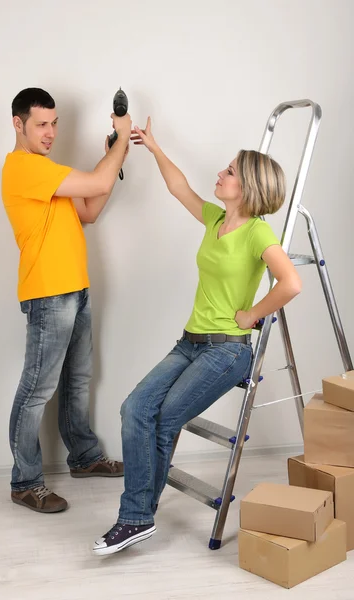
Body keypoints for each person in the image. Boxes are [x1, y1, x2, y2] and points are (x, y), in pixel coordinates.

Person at [93, 117, 302, 554]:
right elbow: (179, 188)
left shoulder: (257, 231)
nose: (220, 175)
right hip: (189, 342)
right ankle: (139, 517)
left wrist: (251, 315)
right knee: (135, 407)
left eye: (229, 172)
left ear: (247, 187)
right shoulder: (215, 220)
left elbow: (290, 283)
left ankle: (134, 517)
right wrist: (153, 147)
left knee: (165, 418)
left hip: (226, 353)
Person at [2, 87, 131, 513]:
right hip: (48, 293)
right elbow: (96, 180)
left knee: (77, 381)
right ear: (18, 124)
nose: (50, 132)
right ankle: (25, 482)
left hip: (76, 288)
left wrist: (117, 156)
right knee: (37, 390)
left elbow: (90, 208)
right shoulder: (22, 168)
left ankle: (85, 457)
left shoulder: (49, 171)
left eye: (54, 123)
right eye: (41, 124)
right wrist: (122, 142)